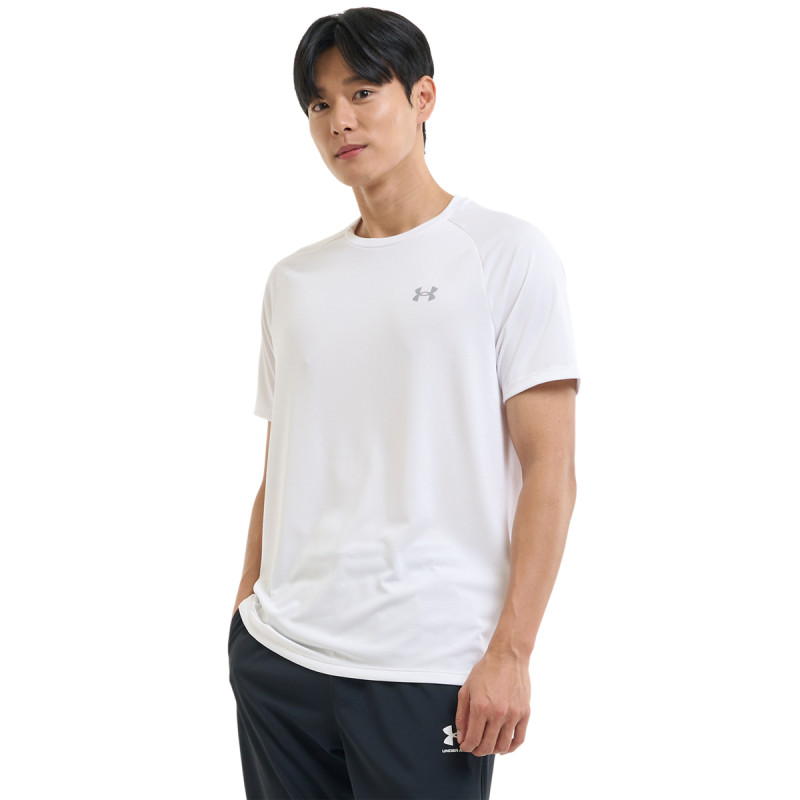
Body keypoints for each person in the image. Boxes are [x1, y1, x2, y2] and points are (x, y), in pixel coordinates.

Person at [228, 7, 581, 799]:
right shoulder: (293, 280)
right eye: (319, 103)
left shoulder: (504, 253)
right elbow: (281, 469)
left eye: (362, 92)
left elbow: (551, 471)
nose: (340, 121)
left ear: (423, 97)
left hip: (426, 664)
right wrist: (245, 614)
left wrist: (512, 652)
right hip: (280, 656)